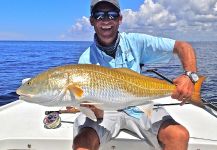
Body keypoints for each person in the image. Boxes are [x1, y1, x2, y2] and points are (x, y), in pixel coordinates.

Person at [73, 0, 199, 149]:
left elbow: (182, 46)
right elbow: (98, 114)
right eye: (99, 15)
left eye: (112, 15)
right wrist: (94, 110)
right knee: (82, 144)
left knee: (178, 135)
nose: (106, 20)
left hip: (140, 105)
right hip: (107, 112)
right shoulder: (85, 60)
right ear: (92, 21)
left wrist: (189, 76)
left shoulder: (136, 42)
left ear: (120, 19)